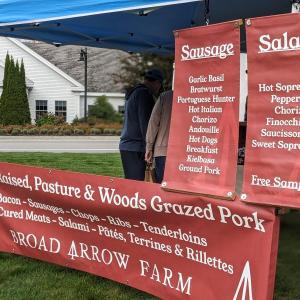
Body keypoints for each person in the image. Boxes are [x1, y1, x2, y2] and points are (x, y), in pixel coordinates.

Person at [119, 68, 163, 181]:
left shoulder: (134, 92)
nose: (159, 89)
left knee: (132, 183)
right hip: (136, 147)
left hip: (127, 146)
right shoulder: (144, 94)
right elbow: (146, 124)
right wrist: (150, 147)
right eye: (160, 85)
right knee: (136, 186)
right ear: (157, 82)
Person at [145, 90, 173, 183]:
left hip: (162, 151)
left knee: (161, 187)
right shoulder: (195, 96)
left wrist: (149, 147)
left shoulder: (165, 97)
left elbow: (153, 122)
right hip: (186, 152)